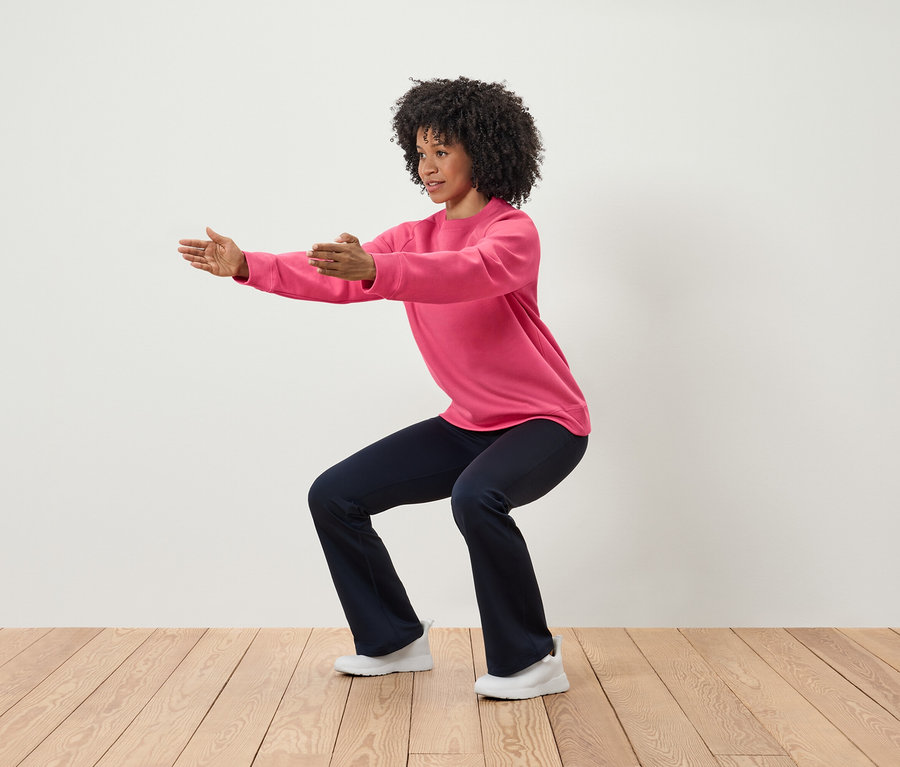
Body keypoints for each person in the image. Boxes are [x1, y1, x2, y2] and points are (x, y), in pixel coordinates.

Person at [178, 76, 590, 700]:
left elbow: (465, 275)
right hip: (468, 423)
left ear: (484, 150)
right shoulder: (409, 237)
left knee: (477, 498)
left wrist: (381, 270)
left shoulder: (511, 233)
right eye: (420, 153)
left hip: (547, 423)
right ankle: (393, 638)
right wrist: (247, 264)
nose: (427, 167)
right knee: (335, 495)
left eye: (443, 151)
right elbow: (336, 276)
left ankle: (532, 659)